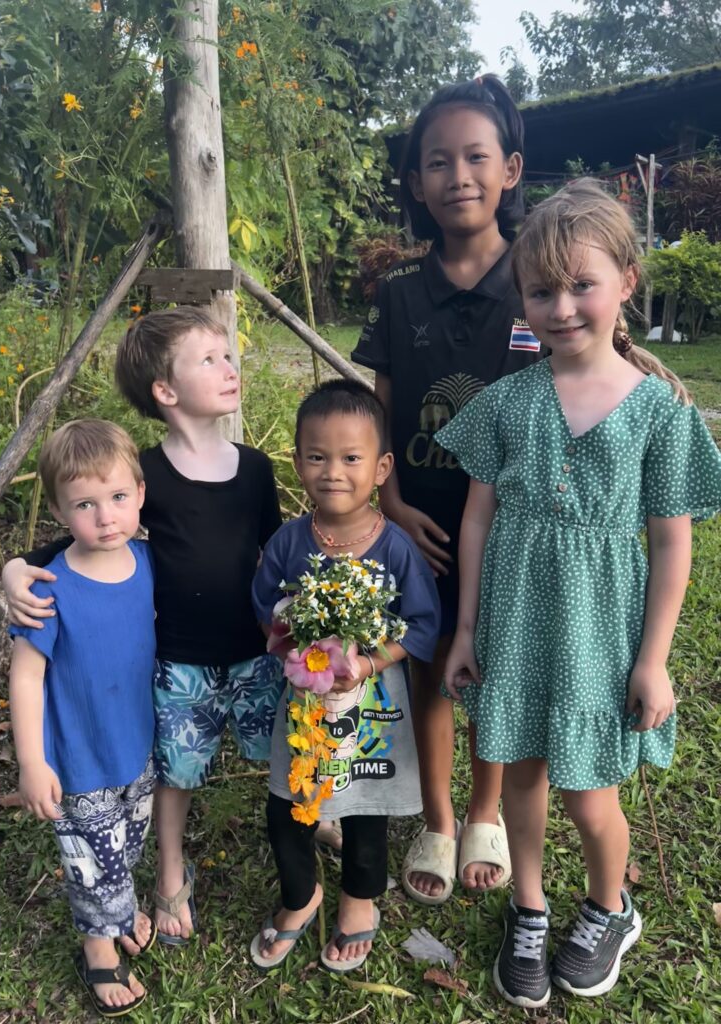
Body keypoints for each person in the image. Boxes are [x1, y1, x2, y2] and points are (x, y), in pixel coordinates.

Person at [438, 179, 721, 1007]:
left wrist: (655, 661)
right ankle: (528, 909)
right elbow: (478, 522)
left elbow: (672, 543)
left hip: (601, 632)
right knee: (519, 776)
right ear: (521, 295)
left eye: (581, 285)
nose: (561, 307)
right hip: (514, 621)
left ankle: (609, 906)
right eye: (541, 289)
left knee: (587, 794)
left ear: (627, 281)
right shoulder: (507, 402)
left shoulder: (662, 416)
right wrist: (463, 631)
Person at [1, 309, 284, 945]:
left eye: (227, 354)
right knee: (177, 773)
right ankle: (170, 871)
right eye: (208, 358)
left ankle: (308, 823)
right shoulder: (143, 476)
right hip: (181, 661)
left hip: (255, 650)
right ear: (165, 390)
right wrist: (15, 570)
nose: (228, 366)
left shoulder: (258, 467)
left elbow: (278, 553)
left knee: (283, 753)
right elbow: (72, 541)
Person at [352, 74, 542, 904]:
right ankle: (434, 817)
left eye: (475, 157)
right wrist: (389, 505)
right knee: (426, 671)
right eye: (437, 161)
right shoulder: (397, 296)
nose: (457, 175)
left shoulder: (541, 284)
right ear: (418, 183)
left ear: (510, 169)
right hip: (420, 530)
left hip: (514, 528)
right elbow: (377, 417)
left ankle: (486, 811)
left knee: (495, 672)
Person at [250, 380, 440, 973]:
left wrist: (366, 661)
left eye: (352, 458)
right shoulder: (287, 543)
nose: (333, 471)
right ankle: (299, 896)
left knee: (365, 806)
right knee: (289, 802)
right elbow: (264, 608)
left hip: (374, 711)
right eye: (316, 456)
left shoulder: (397, 550)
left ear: (382, 467)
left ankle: (359, 901)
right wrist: (293, 645)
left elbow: (422, 624)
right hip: (304, 707)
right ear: (297, 460)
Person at [9, 420, 157, 1018]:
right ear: (58, 509)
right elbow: (26, 676)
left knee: (128, 844)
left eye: (118, 498)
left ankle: (120, 911)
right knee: (92, 861)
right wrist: (32, 761)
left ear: (141, 493)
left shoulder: (149, 563)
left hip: (138, 746)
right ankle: (98, 949)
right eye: (85, 505)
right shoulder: (49, 588)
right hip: (77, 760)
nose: (106, 517)